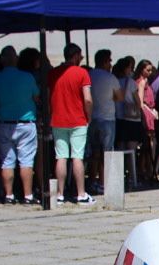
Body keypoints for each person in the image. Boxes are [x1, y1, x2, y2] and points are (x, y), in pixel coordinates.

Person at [0, 45, 39, 204]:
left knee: (7, 161)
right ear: (16, 59)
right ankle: (27, 195)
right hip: (25, 123)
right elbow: (37, 98)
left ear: (2, 60)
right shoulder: (28, 77)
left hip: (4, 123)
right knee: (26, 161)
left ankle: (9, 195)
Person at [49, 42, 93, 204]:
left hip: (58, 119)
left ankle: (60, 193)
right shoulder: (82, 73)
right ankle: (81, 193)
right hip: (78, 119)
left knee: (60, 156)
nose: (81, 59)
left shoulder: (53, 73)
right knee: (77, 157)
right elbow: (87, 99)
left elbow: (48, 97)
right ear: (75, 56)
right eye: (80, 56)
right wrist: (89, 116)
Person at [86, 49, 119, 195]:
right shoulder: (110, 78)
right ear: (105, 61)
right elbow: (119, 97)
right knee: (107, 153)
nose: (111, 64)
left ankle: (92, 180)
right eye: (110, 61)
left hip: (92, 118)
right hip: (107, 118)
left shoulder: (89, 75)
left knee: (94, 153)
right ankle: (103, 182)